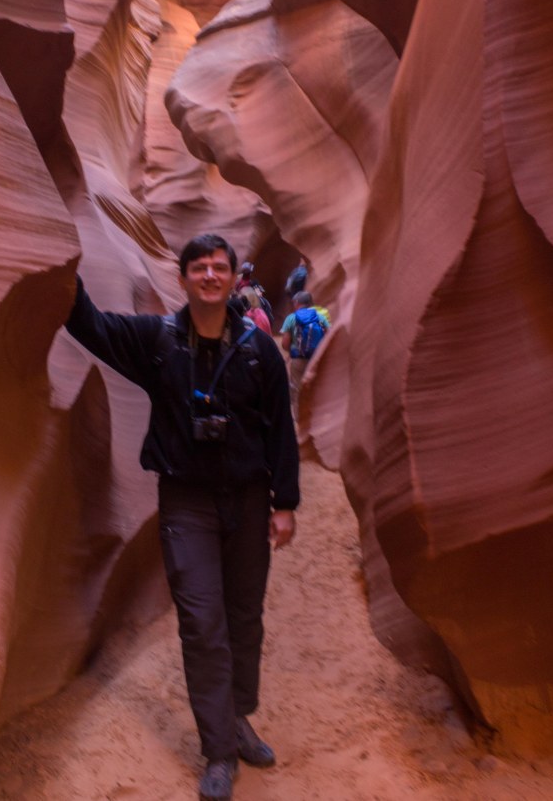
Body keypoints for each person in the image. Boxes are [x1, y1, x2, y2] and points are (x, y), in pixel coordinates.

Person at [64, 234, 299, 801]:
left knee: (244, 615)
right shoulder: (158, 341)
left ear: (232, 277)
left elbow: (281, 429)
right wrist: (57, 256)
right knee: (200, 621)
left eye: (220, 268)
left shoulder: (258, 349)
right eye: (200, 268)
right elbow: (90, 325)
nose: (211, 276)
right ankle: (219, 749)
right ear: (184, 277)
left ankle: (238, 717)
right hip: (187, 502)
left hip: (247, 499)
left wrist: (285, 502)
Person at [279, 290, 331, 417]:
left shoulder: (291, 318)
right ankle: (315, 417)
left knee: (297, 388)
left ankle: (300, 419)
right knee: (314, 387)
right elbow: (330, 335)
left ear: (296, 302)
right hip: (316, 358)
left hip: (298, 360)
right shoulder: (320, 317)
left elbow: (285, 343)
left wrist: (291, 350)